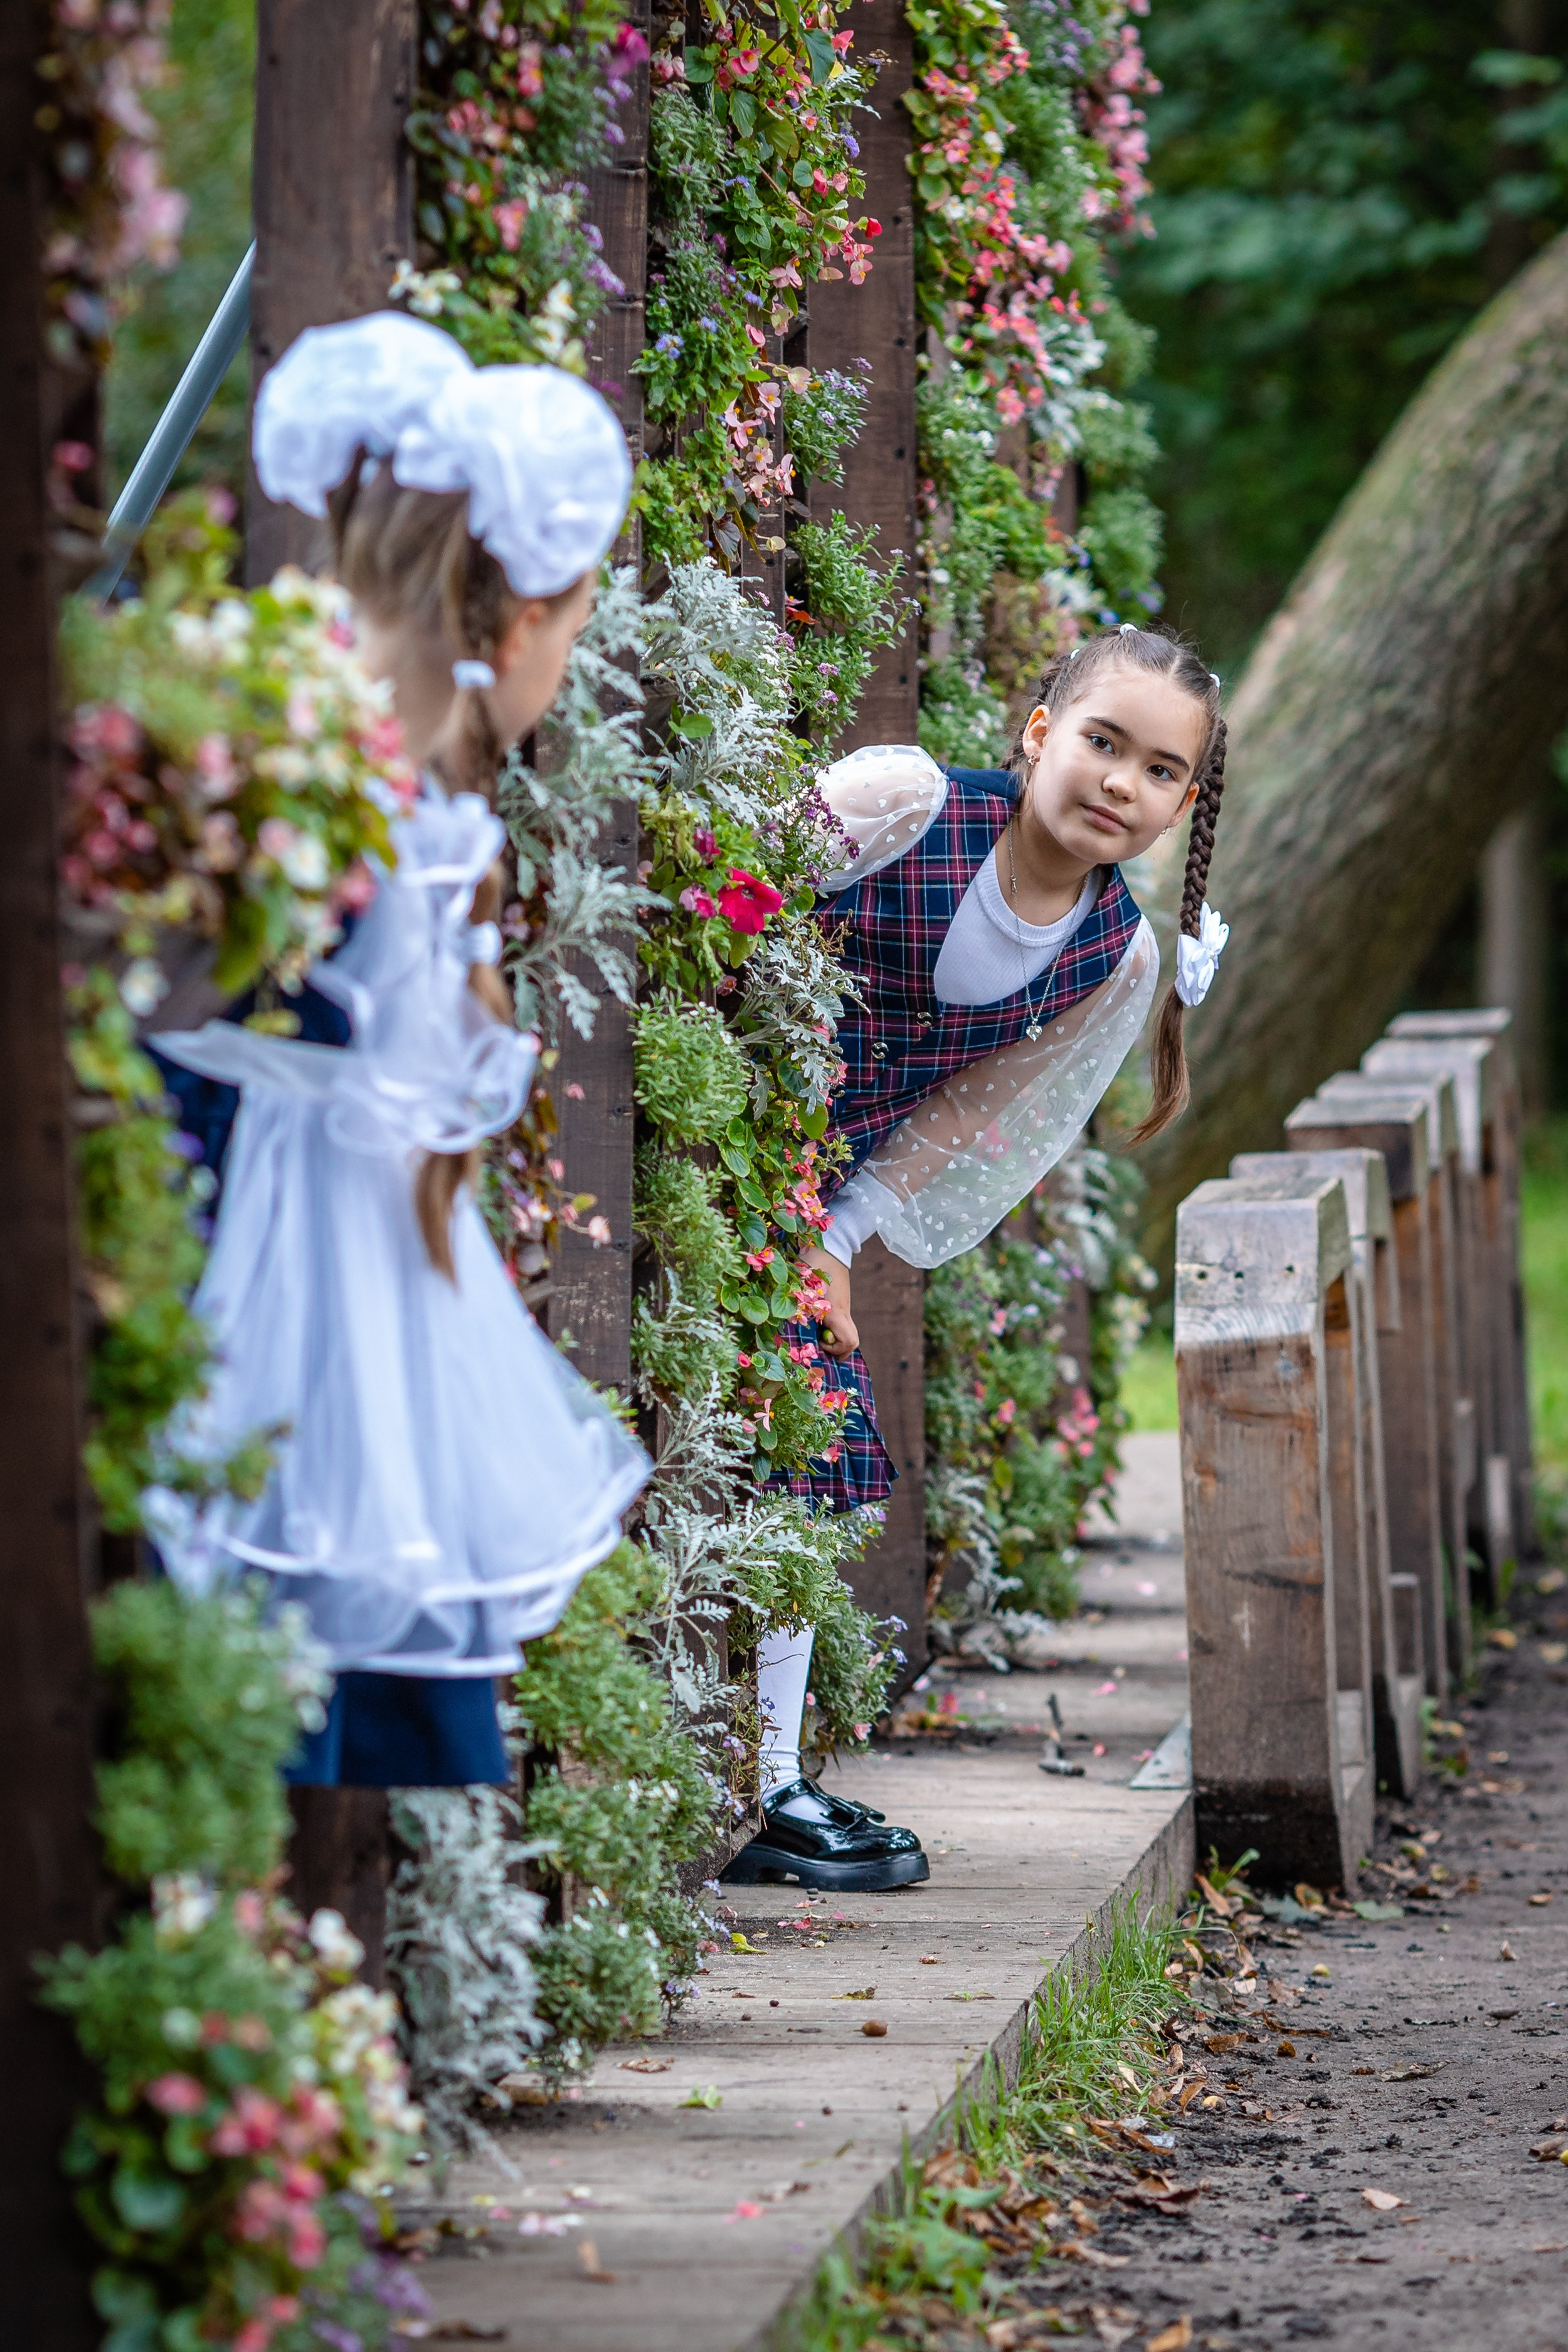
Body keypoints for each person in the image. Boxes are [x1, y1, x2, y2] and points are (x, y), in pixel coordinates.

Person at [147, 312, 649, 1789]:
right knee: (291, 1526)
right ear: (520, 619)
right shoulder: (405, 819)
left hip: (260, 1184)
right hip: (273, 1221)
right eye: (575, 624)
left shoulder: (294, 747)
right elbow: (417, 1072)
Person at [725, 623, 1228, 1891]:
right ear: (1038, 731)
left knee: (814, 1441)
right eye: (1102, 742)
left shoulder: (1110, 958)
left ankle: (767, 1785)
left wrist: (828, 1237)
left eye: (1160, 770)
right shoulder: (900, 803)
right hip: (699, 1131)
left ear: (1181, 803)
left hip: (804, 1201)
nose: (1121, 783)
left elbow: (960, 1121)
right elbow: (717, 911)